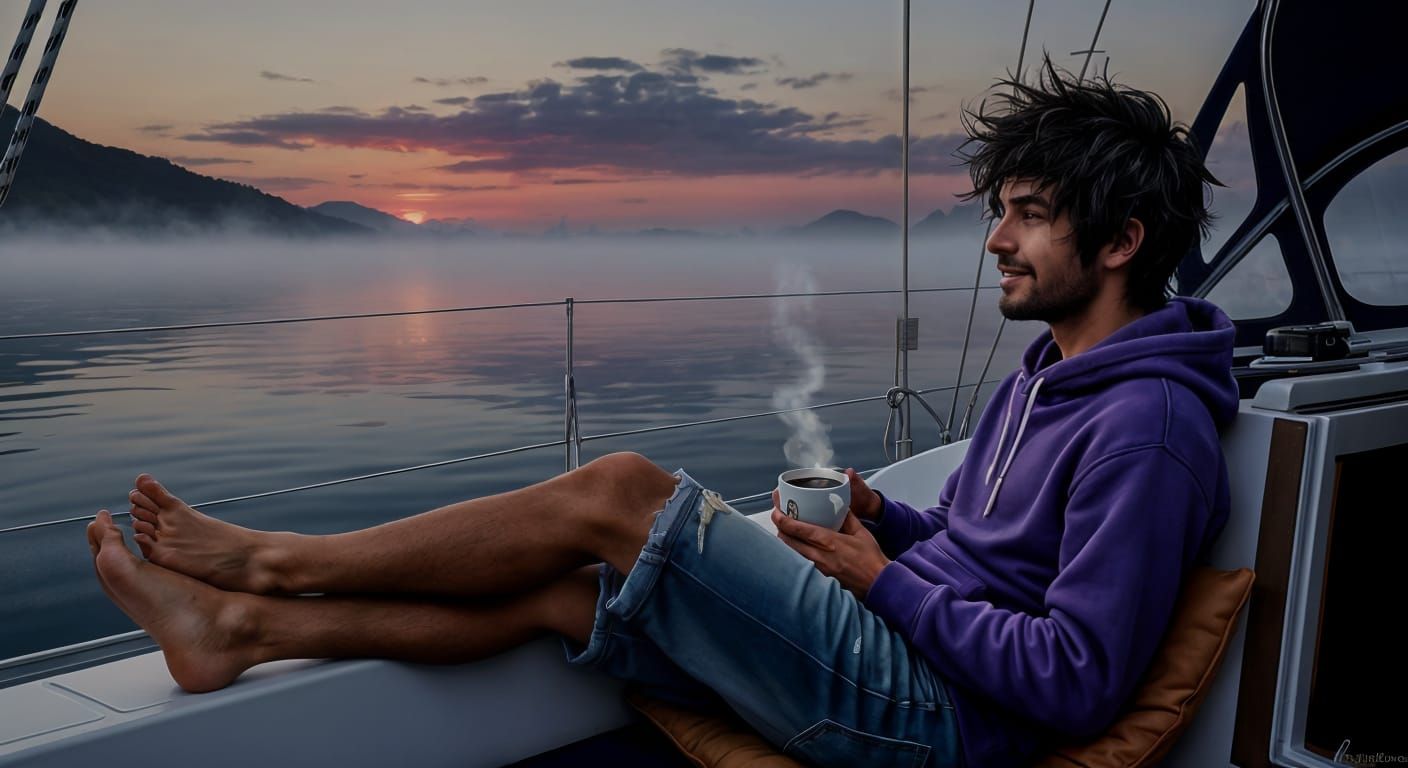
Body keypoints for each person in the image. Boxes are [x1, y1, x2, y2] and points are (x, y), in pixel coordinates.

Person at [84, 60, 1236, 768]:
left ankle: (275, 564)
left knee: (621, 490)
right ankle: (240, 633)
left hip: (945, 725)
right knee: (565, 591)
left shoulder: (1147, 429)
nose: (994, 239)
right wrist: (892, 521)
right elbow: (999, 564)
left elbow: (1076, 676)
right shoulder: (1044, 376)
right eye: (1003, 212)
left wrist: (881, 580)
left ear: (1120, 243)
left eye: (1027, 216)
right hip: (915, 656)